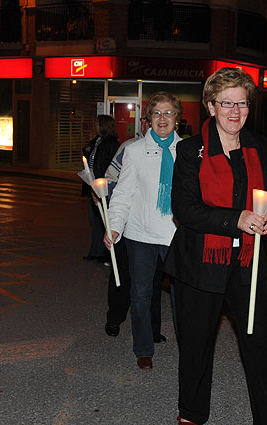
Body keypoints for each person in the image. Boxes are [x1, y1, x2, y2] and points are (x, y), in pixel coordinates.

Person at [164, 68, 267, 424]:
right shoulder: (190, 150)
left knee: (257, 342)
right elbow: (185, 209)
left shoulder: (258, 144)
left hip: (247, 259)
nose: (235, 111)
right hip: (201, 261)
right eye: (227, 103)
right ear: (211, 105)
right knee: (197, 345)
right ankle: (192, 414)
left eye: (242, 104)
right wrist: (237, 219)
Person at [104, 92, 182, 369]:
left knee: (183, 297)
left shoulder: (188, 150)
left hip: (175, 236)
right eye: (157, 113)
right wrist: (114, 227)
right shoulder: (134, 150)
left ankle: (189, 346)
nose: (163, 118)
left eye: (169, 113)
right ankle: (143, 348)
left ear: (177, 119)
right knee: (139, 295)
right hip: (140, 236)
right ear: (148, 120)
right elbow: (123, 194)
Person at [103, 116, 166, 343]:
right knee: (123, 277)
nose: (152, 125)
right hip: (129, 225)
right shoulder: (129, 147)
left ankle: (153, 328)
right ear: (142, 123)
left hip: (157, 230)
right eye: (148, 121)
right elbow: (111, 179)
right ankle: (115, 318)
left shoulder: (176, 149)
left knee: (154, 282)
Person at [82, 115, 119, 264]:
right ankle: (96, 251)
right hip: (92, 185)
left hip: (101, 187)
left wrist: (102, 185)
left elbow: (109, 167)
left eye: (98, 123)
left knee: (104, 220)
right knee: (95, 219)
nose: (95, 126)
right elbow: (87, 152)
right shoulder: (97, 140)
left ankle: (106, 254)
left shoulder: (111, 143)